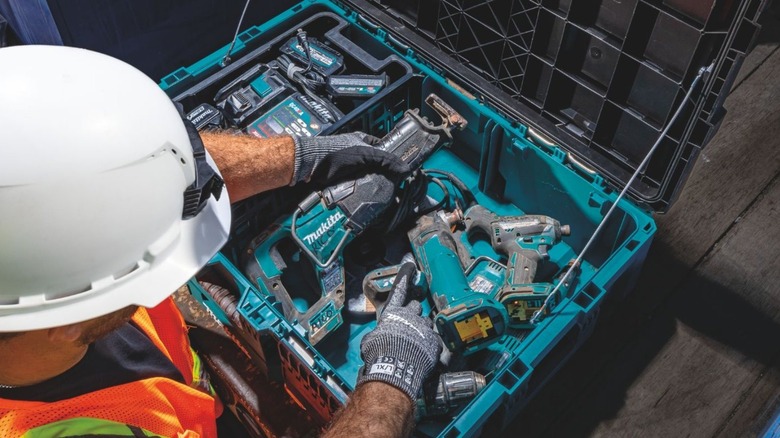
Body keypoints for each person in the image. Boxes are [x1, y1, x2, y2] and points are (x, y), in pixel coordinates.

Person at [0, 45, 441, 437]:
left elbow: (153, 164)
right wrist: (389, 384)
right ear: (68, 319)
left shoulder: (48, 278)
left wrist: (301, 158)